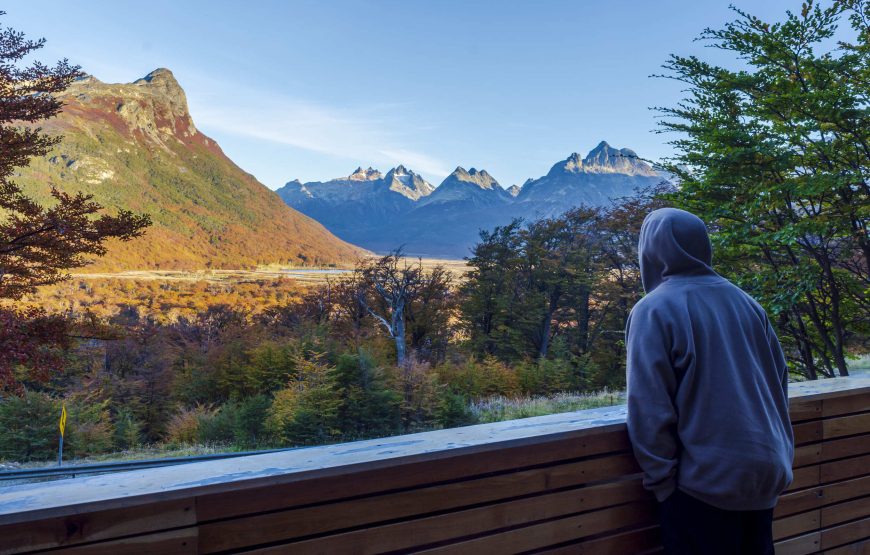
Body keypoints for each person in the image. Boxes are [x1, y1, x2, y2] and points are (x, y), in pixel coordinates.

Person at [625, 208, 794, 555]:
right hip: (765, 473)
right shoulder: (746, 302)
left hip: (704, 485)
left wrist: (663, 486)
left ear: (651, 251)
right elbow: (780, 382)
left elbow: (648, 408)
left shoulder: (654, 309)